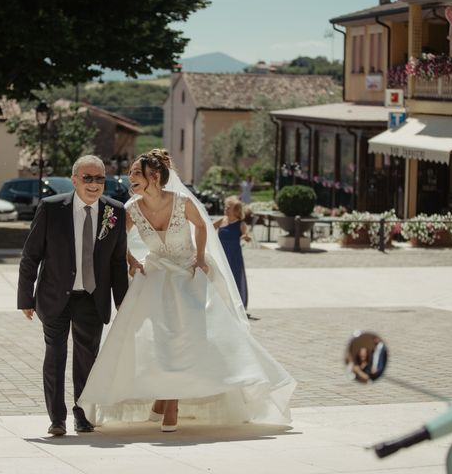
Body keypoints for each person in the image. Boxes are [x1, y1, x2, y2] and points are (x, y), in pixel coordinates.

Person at [79, 149, 295, 432]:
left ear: (153, 177)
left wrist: (201, 256)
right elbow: (119, 241)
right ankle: (162, 400)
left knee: (184, 339)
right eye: (130, 172)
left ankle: (171, 404)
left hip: (187, 274)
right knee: (158, 341)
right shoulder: (131, 207)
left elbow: (202, 226)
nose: (129, 177)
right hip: (154, 277)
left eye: (135, 172)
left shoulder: (181, 202)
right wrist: (132, 261)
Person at [17, 155, 128, 437]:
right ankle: (57, 418)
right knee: (55, 355)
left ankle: (82, 416)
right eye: (88, 178)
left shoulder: (114, 212)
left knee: (87, 360)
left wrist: (123, 304)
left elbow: (117, 263)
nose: (94, 184)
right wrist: (25, 298)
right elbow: (31, 256)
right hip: (55, 296)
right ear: (74, 179)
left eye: (99, 178)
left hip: (93, 297)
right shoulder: (52, 208)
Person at [214, 196, 250, 308]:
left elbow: (246, 235)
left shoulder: (241, 224)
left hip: (234, 256)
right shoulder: (222, 220)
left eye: (229, 207)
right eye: (226, 206)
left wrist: (245, 237)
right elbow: (207, 227)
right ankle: (221, 302)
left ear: (236, 210)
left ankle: (237, 304)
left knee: (235, 278)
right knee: (221, 279)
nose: (226, 209)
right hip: (221, 255)